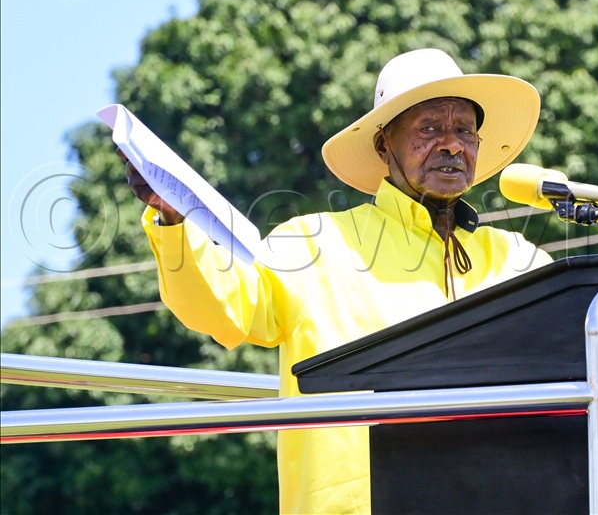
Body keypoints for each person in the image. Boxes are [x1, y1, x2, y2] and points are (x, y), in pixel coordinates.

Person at [121, 47, 553, 514]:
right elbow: (221, 307)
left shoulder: (519, 260)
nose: (451, 144)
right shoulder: (315, 243)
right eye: (430, 129)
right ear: (384, 143)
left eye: (465, 130)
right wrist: (172, 220)